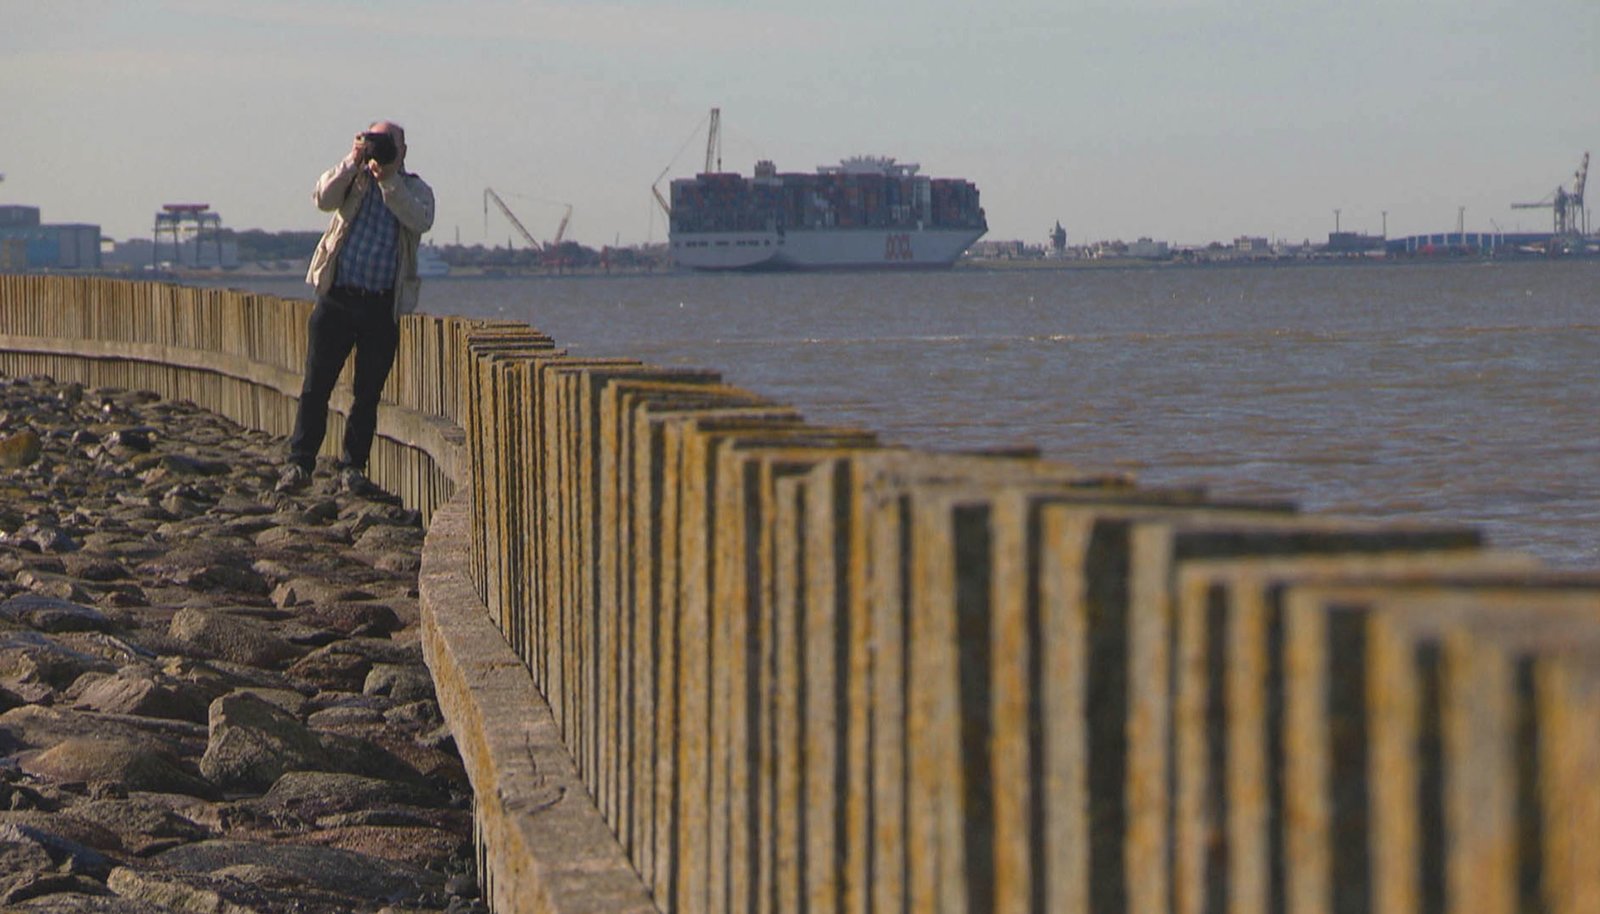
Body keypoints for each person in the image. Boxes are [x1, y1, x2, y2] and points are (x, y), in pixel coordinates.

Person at [278, 121, 435, 494]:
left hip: (381, 305)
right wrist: (352, 160)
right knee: (316, 386)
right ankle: (300, 462)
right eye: (374, 140)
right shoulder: (354, 178)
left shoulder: (414, 190)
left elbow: (420, 220)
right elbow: (322, 198)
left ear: (403, 151)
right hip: (338, 297)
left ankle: (353, 467)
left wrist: (389, 180)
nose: (381, 149)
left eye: (388, 143)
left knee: (367, 395)